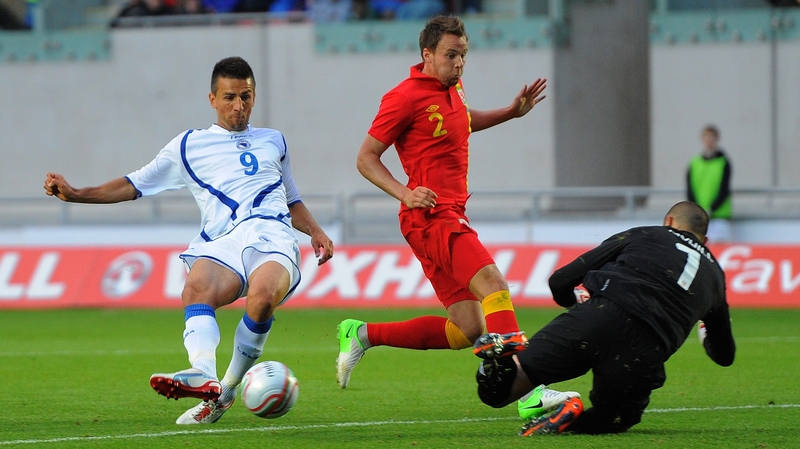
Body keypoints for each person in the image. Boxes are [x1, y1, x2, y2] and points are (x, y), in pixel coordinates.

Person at [43, 56, 334, 425]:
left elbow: (291, 198)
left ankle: (225, 390)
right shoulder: (187, 146)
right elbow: (134, 185)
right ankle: (203, 375)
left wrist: (316, 231)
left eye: (246, 96)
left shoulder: (273, 141)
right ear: (212, 99)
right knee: (196, 288)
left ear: (255, 95)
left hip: (272, 234)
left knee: (261, 299)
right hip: (223, 240)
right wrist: (77, 194)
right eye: (229, 97)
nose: (239, 106)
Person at [337, 15, 549, 392]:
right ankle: (529, 396)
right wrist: (405, 192)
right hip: (431, 216)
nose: (459, 64)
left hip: (447, 215)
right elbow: (365, 157)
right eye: (451, 56)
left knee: (468, 328)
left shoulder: (454, 86)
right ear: (427, 54)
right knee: (495, 286)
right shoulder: (403, 97)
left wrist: (509, 112)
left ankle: (362, 334)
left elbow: (463, 120)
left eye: (464, 55)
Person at [475, 201, 736, 436]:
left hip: (599, 316)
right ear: (706, 240)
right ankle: (569, 415)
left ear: (668, 221)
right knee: (612, 420)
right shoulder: (715, 276)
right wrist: (705, 334)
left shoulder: (645, 233)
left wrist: (575, 304)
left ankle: (500, 355)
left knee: (496, 392)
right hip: (646, 351)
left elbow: (559, 280)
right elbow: (725, 356)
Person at [686, 124, 732, 242]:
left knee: (718, 250)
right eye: (706, 137)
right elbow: (690, 189)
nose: (709, 140)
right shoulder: (695, 163)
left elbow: (724, 189)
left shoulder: (723, 162)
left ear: (717, 139)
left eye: (712, 137)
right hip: (699, 218)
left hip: (719, 216)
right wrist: (697, 209)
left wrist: (711, 209)